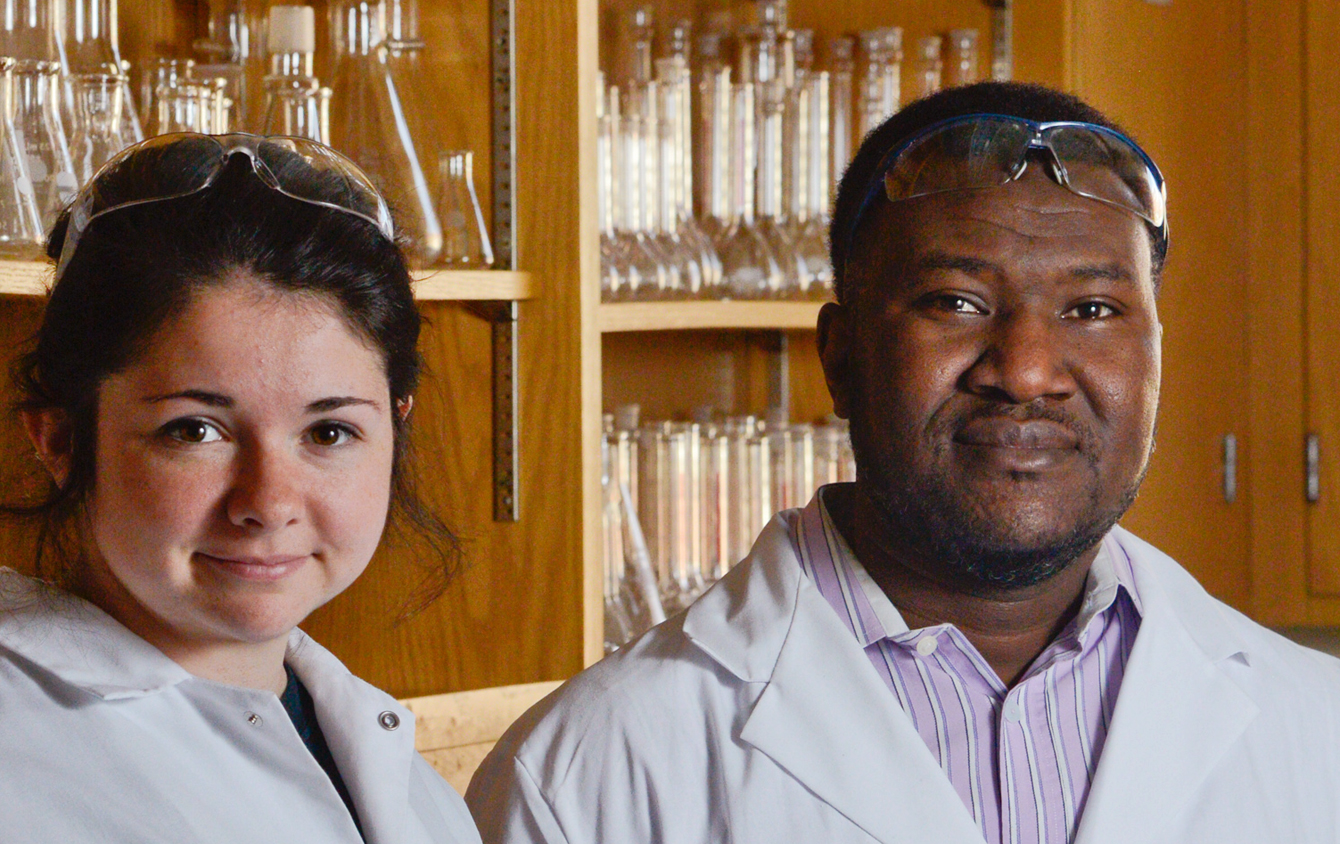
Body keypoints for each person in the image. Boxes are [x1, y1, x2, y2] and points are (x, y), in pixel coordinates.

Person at [467, 82, 1340, 843]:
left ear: (1156, 356)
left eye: (1094, 308)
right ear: (840, 357)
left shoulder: (1315, 728)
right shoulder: (591, 772)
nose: (1026, 370)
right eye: (954, 301)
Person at [0, 134, 482, 844]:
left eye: (328, 433)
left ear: (395, 426)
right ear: (59, 438)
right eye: (195, 431)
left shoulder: (398, 773)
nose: (268, 504)